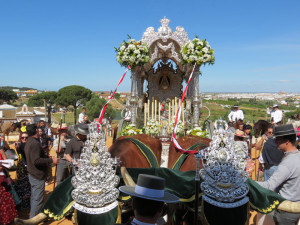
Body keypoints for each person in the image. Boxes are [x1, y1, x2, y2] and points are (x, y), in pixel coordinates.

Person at [257, 124, 300, 224]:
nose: (275, 142)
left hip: (286, 212)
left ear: (287, 142)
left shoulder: (287, 163)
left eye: (278, 140)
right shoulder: (297, 156)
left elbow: (269, 185)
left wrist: (247, 182)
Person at [24, 124, 59, 218]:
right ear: (36, 131)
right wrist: (52, 160)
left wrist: (45, 157)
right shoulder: (34, 143)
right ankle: (33, 220)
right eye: (38, 130)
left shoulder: (30, 141)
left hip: (33, 174)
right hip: (37, 175)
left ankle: (37, 217)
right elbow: (36, 161)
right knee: (37, 199)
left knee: (35, 197)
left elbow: (35, 158)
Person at [0, 149, 18, 225]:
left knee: (4, 200)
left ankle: (5, 219)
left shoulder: (1, 150)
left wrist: (2, 166)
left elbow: (8, 165)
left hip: (2, 178)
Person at [14, 132, 31, 209]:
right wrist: (17, 146)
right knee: (22, 187)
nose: (24, 139)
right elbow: (19, 147)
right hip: (21, 169)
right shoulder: (20, 145)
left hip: (29, 169)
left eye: (26, 137)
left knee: (28, 186)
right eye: (22, 138)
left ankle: (28, 204)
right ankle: (23, 205)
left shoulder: (30, 145)